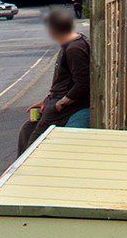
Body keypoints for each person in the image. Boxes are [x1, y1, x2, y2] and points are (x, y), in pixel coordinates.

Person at [19, 8, 91, 154]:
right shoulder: (72, 43)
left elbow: (82, 83)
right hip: (55, 100)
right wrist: (45, 100)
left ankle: (25, 168)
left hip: (66, 107)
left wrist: (62, 102)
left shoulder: (74, 49)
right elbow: (63, 82)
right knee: (27, 129)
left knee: (34, 142)